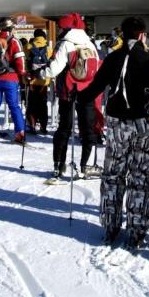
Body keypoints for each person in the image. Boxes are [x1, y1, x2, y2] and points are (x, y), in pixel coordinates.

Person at [78, 16, 149, 250]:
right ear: (142, 35)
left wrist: (78, 98)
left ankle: (110, 224)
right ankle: (137, 229)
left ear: (122, 35)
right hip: (144, 124)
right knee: (140, 177)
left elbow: (94, 88)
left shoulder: (112, 58)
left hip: (117, 123)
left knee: (113, 174)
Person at [37, 13, 101, 178]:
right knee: (88, 129)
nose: (58, 29)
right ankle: (87, 166)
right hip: (88, 91)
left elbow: (53, 69)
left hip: (68, 91)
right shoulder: (90, 43)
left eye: (60, 27)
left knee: (64, 128)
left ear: (66, 28)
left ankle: (59, 165)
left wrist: (38, 73)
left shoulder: (65, 44)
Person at [25, 29, 53, 134]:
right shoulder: (49, 49)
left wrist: (25, 79)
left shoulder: (28, 47)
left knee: (31, 104)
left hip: (31, 81)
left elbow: (25, 64)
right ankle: (43, 127)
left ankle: (32, 126)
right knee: (43, 105)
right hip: (44, 82)